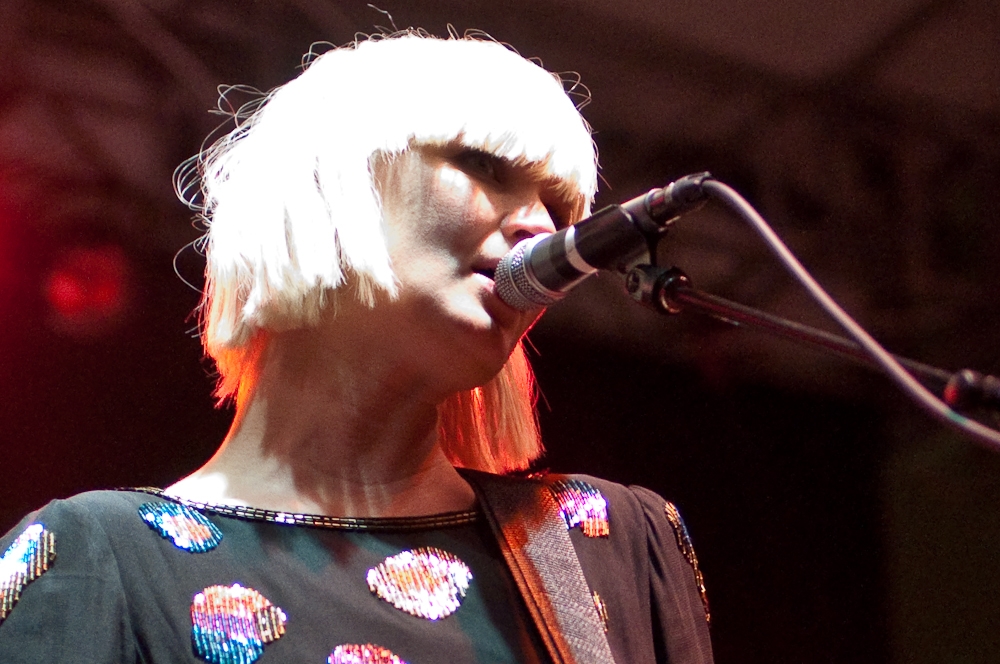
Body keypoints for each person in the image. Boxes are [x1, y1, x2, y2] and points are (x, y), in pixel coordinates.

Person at [0, 32, 713, 663]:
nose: (540, 229)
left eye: (558, 209)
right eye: (486, 167)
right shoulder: (98, 564)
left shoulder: (607, 547)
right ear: (333, 186)